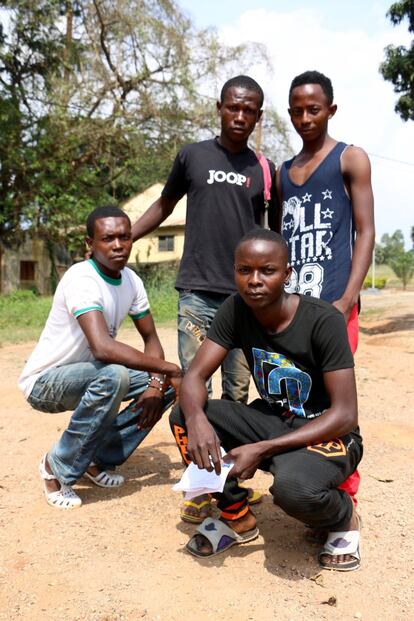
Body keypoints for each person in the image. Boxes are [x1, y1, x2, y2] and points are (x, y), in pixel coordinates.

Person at [170, 230, 363, 571]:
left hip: (327, 433)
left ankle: (343, 516)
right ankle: (237, 517)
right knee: (184, 415)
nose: (254, 281)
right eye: (245, 270)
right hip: (274, 420)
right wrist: (198, 421)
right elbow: (196, 375)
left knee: (292, 490)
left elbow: (345, 415)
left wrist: (263, 449)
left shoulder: (323, 320)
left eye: (267, 271)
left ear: (287, 274)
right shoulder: (236, 309)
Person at [132, 75, 276, 522]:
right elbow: (165, 204)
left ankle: (226, 483)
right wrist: (125, 238)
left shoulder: (262, 168)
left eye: (249, 110)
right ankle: (198, 485)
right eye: (233, 107)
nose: (240, 116)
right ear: (219, 107)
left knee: (234, 393)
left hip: (244, 301)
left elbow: (265, 231)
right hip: (197, 291)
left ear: (257, 115)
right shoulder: (193, 155)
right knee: (193, 387)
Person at [19, 205, 182, 509]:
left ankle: (94, 458)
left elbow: (151, 340)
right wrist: (168, 367)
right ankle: (56, 467)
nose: (118, 245)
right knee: (114, 374)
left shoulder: (131, 280)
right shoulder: (81, 278)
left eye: (125, 237)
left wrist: (158, 384)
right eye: (108, 239)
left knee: (167, 385)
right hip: (46, 382)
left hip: (93, 373)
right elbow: (102, 348)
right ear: (90, 244)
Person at [276, 70, 374, 505]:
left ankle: (345, 497)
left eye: (313, 109)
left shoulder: (350, 159)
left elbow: (366, 231)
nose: (304, 118)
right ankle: (308, 484)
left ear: (330, 110)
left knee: (337, 402)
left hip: (333, 304)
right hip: (292, 309)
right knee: (299, 398)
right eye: (296, 110)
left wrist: (347, 299)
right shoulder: (283, 173)